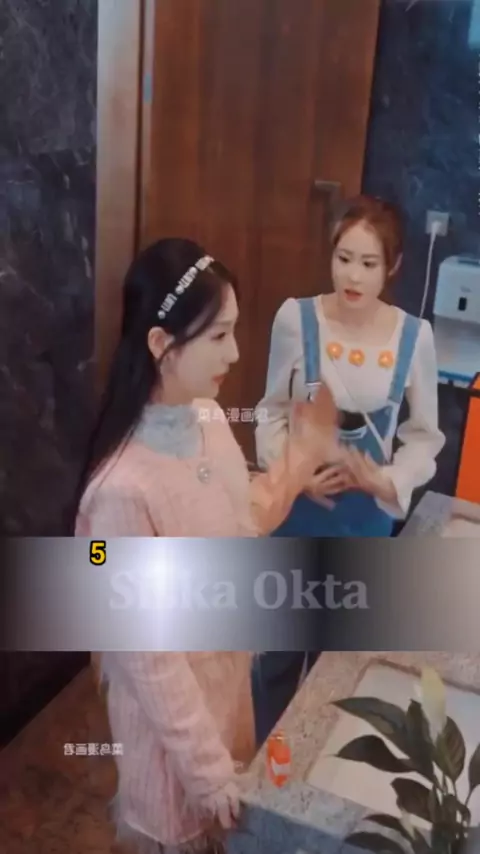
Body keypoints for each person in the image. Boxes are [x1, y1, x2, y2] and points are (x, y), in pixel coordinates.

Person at [74, 238, 340, 854]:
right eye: (219, 335)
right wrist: (207, 770)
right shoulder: (121, 490)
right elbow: (148, 658)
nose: (236, 352)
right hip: (172, 747)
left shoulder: (210, 420)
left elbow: (236, 525)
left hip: (227, 701)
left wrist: (299, 463)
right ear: (160, 344)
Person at [252, 194, 445, 745]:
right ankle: (268, 764)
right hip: (296, 511)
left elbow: (424, 437)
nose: (352, 276)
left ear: (393, 266)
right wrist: (293, 473)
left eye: (368, 263)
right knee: (276, 655)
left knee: (339, 665)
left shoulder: (414, 337)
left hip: (364, 521)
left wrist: (386, 481)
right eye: (343, 258)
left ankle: (314, 766)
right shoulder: (296, 319)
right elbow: (270, 412)